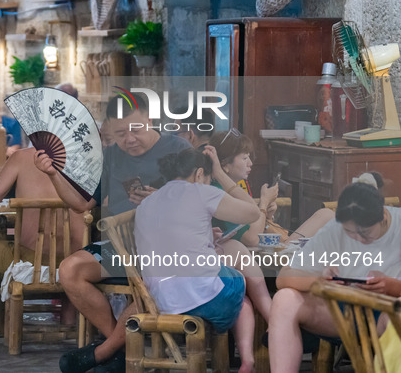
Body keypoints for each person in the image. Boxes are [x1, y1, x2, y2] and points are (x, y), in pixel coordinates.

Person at [35, 96, 191, 372]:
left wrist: (163, 199)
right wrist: (53, 174)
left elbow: (201, 201)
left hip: (169, 248)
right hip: (121, 247)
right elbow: (82, 203)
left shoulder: (178, 149)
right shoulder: (110, 157)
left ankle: (106, 352)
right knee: (70, 270)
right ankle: (120, 349)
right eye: (119, 134)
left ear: (150, 120)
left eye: (136, 130)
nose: (129, 139)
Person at [135, 147, 260, 372]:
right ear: (200, 174)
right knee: (242, 292)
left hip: (162, 302)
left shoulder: (148, 202)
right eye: (210, 179)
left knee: (218, 277)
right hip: (205, 299)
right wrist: (221, 173)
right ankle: (248, 360)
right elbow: (253, 213)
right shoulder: (201, 191)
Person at [0, 148, 88, 341]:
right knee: (74, 249)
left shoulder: (23, 157)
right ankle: (69, 320)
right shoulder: (90, 159)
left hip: (29, 261)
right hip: (79, 264)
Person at [269, 182, 401, 372]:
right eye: (350, 232)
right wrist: (320, 280)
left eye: (365, 233)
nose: (359, 240)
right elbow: (284, 278)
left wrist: (391, 286)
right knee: (284, 299)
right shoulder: (335, 228)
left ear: (383, 216)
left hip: (388, 309)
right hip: (341, 310)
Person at [209, 130, 334, 247]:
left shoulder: (234, 186)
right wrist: (263, 203)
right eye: (245, 158)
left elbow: (252, 225)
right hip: (245, 252)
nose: (250, 163)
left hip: (263, 249)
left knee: (327, 217)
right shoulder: (218, 192)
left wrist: (267, 216)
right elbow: (251, 238)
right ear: (225, 164)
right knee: (326, 215)